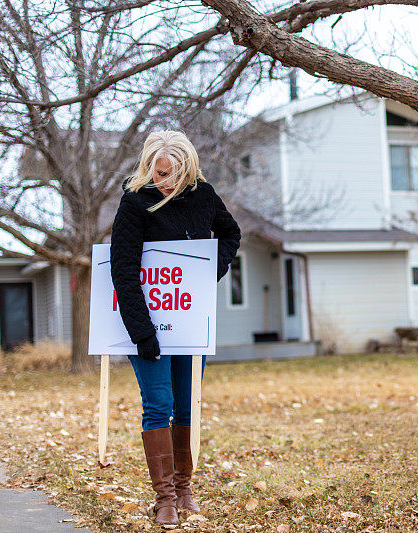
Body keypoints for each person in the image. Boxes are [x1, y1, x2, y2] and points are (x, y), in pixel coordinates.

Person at [109, 130, 241, 527]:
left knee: (187, 405)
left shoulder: (203, 195)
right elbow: (123, 269)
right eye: (157, 171)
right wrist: (142, 332)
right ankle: (163, 497)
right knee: (158, 406)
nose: (163, 180)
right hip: (147, 326)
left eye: (171, 173)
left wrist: (205, 277)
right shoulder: (135, 203)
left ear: (187, 169)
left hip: (189, 325)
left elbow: (230, 234)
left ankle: (184, 489)